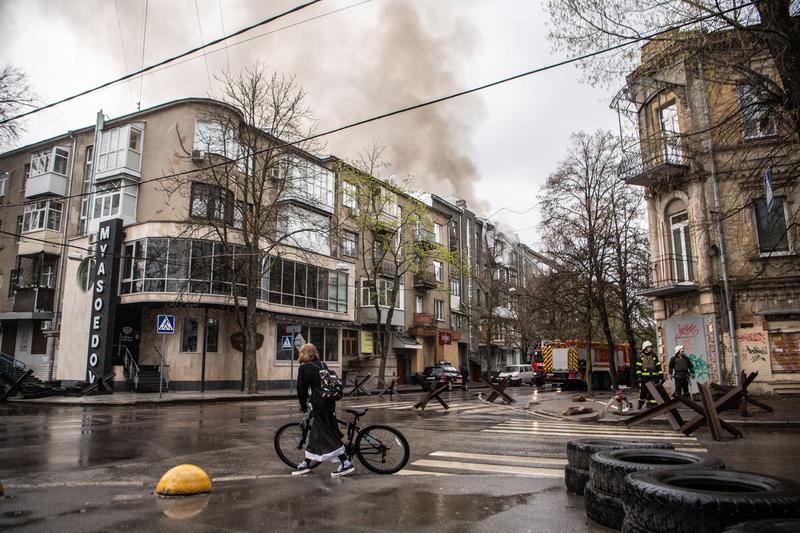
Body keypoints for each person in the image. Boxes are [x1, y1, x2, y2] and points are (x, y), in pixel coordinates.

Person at [293, 343, 354, 477]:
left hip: (319, 404)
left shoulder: (304, 368)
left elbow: (301, 390)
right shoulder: (322, 364)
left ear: (303, 353)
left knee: (326, 434)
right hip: (328, 402)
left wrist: (303, 406)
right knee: (317, 434)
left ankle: (345, 463)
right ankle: (306, 463)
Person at [636, 340, 661, 409]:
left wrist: (660, 374)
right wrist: (639, 376)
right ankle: (640, 403)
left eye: (650, 347)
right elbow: (638, 367)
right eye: (649, 347)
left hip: (654, 376)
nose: (650, 348)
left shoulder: (654, 356)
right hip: (645, 377)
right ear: (645, 348)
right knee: (644, 390)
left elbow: (658, 365)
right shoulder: (641, 357)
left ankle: (652, 403)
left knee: (654, 390)